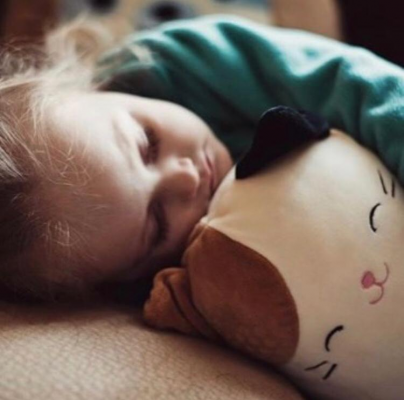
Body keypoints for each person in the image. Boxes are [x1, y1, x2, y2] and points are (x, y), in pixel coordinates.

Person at [1, 14, 404, 303]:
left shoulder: (180, 62)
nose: (186, 179)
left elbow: (351, 82)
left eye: (148, 144)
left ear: (92, 88)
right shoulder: (190, 282)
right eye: (157, 222)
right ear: (124, 279)